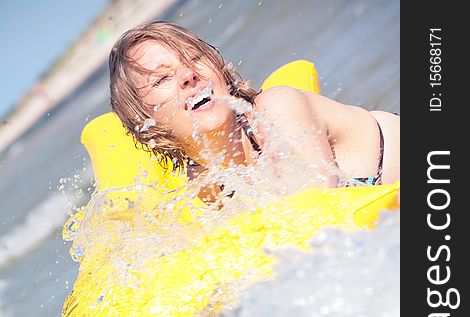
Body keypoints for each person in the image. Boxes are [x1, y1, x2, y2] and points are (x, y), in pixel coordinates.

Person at [109, 21, 399, 204]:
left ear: (219, 67)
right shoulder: (205, 183)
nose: (188, 74)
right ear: (145, 121)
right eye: (161, 79)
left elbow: (324, 215)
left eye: (195, 58)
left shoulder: (276, 111)